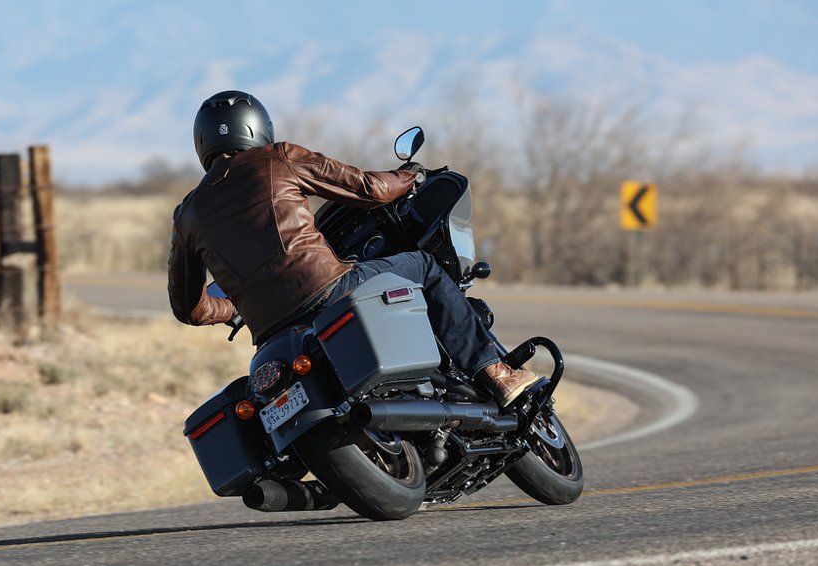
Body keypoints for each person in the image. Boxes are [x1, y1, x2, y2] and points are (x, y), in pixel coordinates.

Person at [168, 90, 543, 407]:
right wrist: (409, 176)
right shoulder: (277, 158)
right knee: (425, 267)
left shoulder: (188, 214)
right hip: (328, 291)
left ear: (202, 143)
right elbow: (368, 189)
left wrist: (233, 307)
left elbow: (188, 308)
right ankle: (495, 371)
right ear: (257, 127)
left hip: (270, 332)